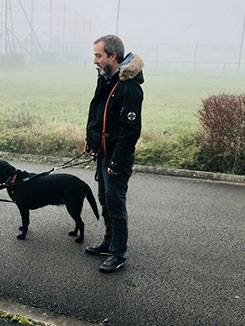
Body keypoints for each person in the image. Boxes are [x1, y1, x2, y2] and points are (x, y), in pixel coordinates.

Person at [84, 35, 144, 273]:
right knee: (104, 200)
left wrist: (116, 162)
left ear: (113, 56)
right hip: (103, 153)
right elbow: (98, 115)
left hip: (117, 157)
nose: (94, 61)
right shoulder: (106, 80)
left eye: (99, 56)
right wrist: (91, 140)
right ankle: (109, 243)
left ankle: (118, 253)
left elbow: (131, 131)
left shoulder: (130, 88)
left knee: (115, 204)